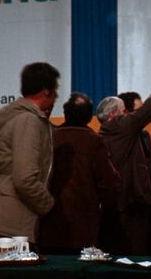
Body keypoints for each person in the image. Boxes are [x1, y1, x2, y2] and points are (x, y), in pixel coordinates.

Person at [0, 62, 59, 247]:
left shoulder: (17, 118)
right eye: (55, 90)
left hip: (4, 215)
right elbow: (24, 178)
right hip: (12, 219)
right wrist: (49, 206)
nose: (56, 96)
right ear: (46, 92)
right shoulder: (29, 121)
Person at [39, 93, 120, 253]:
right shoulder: (94, 141)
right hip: (84, 224)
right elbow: (109, 183)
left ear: (65, 114)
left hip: (50, 219)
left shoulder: (50, 138)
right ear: (90, 117)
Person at [96, 92, 151, 255]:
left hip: (113, 203)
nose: (129, 115)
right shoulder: (121, 126)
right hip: (133, 203)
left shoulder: (102, 135)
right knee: (136, 252)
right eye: (125, 111)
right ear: (113, 114)